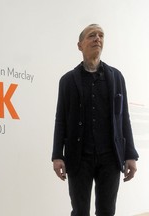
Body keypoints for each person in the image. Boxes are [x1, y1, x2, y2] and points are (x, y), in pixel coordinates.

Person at [51, 24, 139, 216]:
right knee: (80, 211)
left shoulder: (116, 77)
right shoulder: (67, 81)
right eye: (92, 35)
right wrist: (57, 155)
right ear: (80, 45)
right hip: (78, 157)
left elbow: (124, 117)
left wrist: (130, 154)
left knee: (107, 211)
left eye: (101, 35)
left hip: (110, 157)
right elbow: (61, 120)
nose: (97, 39)